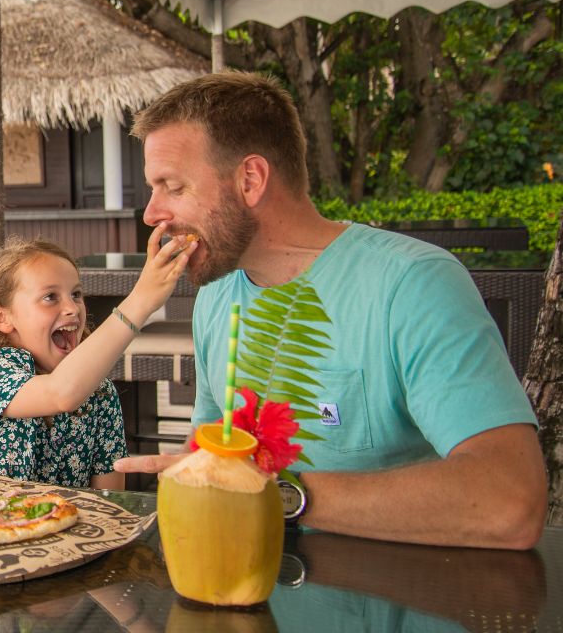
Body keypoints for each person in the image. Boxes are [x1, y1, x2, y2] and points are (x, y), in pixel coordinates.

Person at [114, 71, 546, 549]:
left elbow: (510, 501)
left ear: (251, 180)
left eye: (171, 186)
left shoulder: (412, 285)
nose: (151, 213)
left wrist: (281, 495)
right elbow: (210, 462)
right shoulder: (217, 295)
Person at [0, 231, 195, 489]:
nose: (72, 308)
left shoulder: (99, 392)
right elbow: (61, 393)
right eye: (50, 297)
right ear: (2, 318)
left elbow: (109, 498)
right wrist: (139, 302)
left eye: (76, 294)